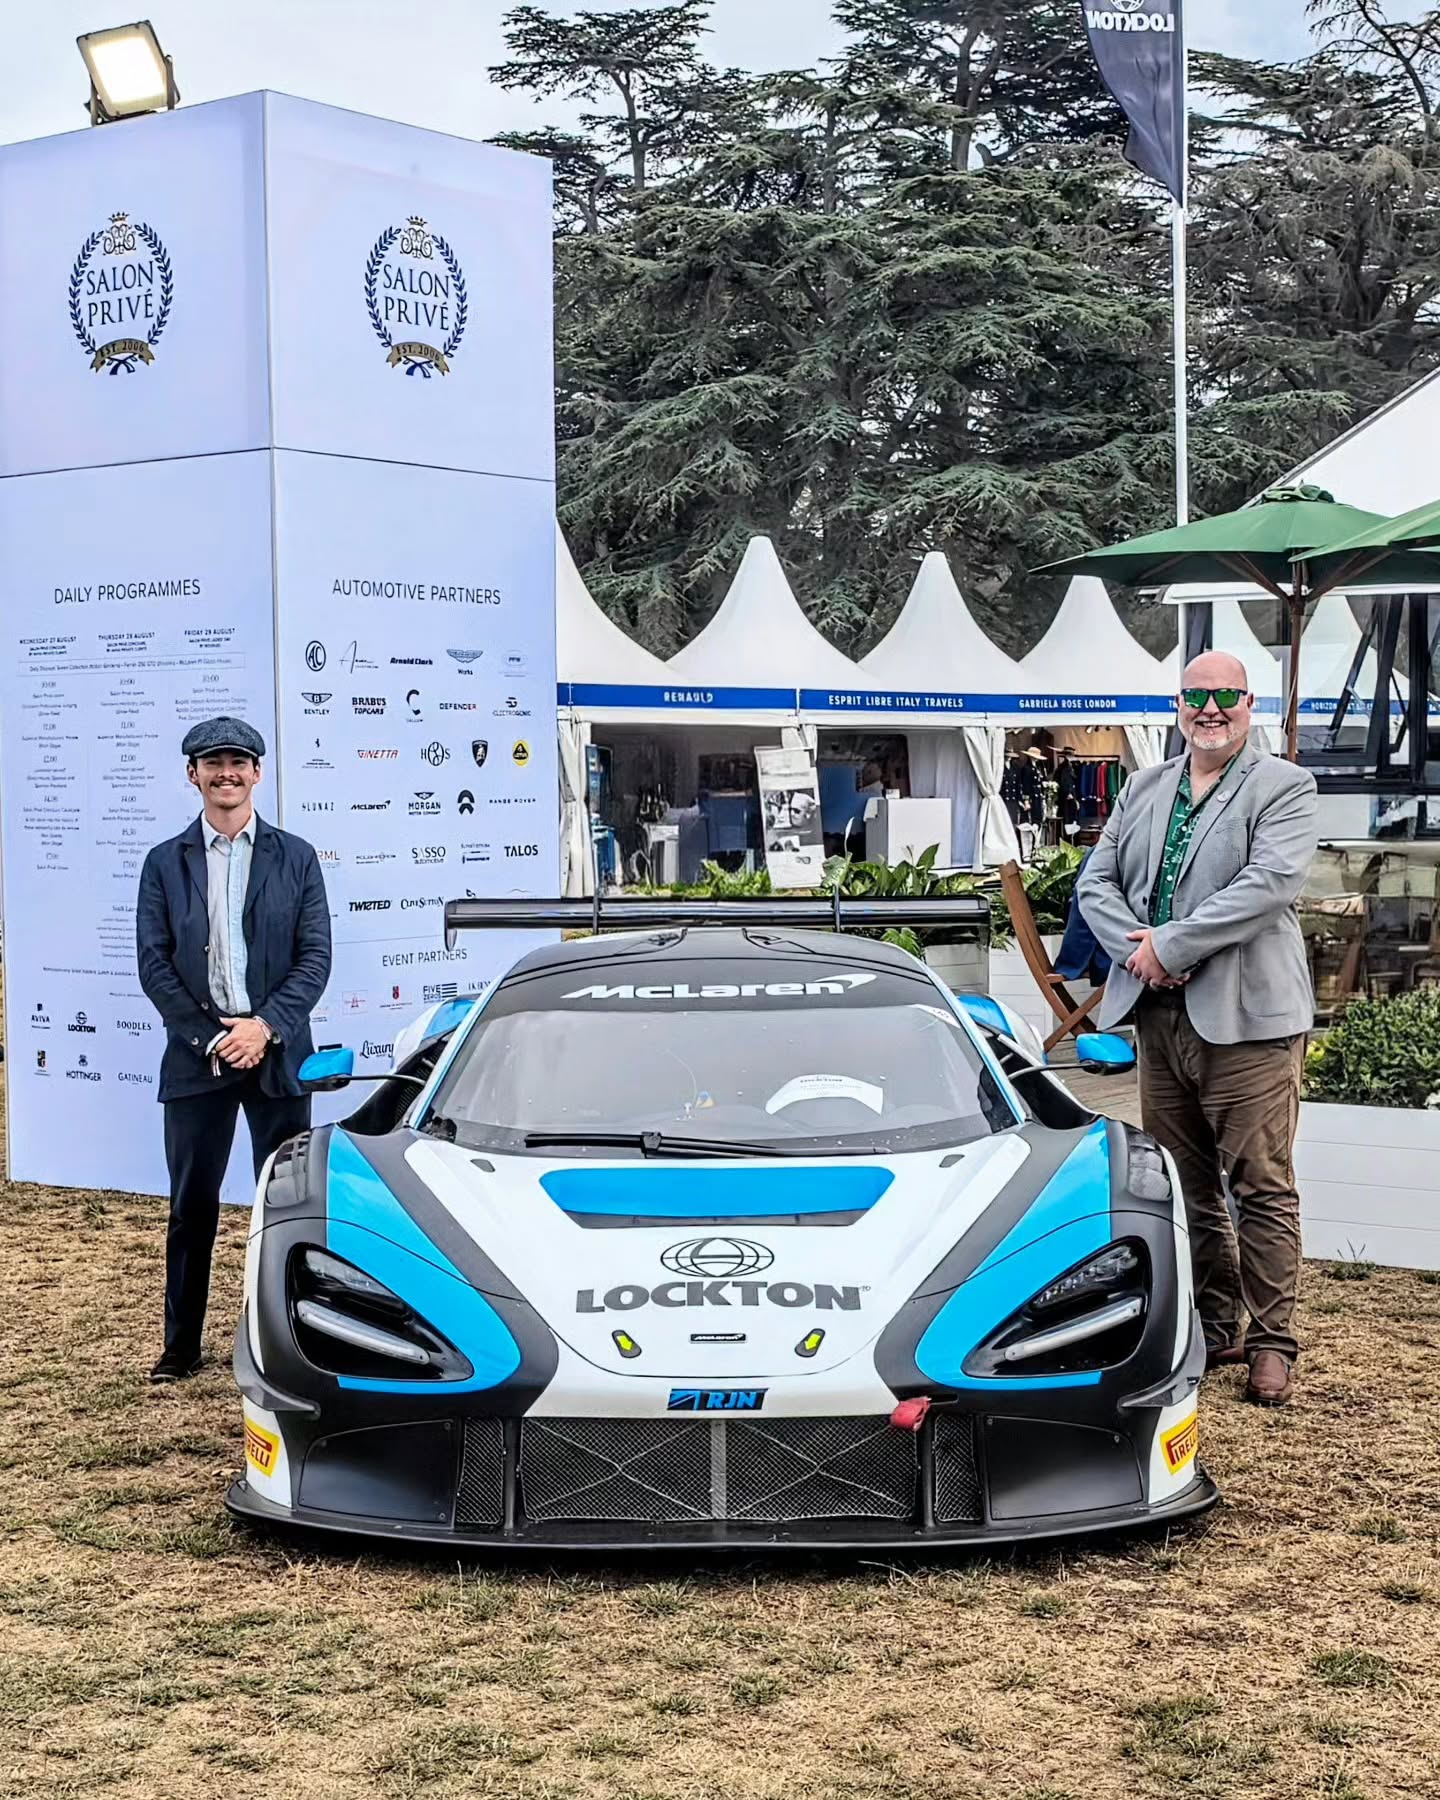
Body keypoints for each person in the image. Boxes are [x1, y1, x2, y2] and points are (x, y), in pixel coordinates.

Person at [1076, 653, 1318, 1407]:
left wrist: (1170, 945)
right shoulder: (1147, 784)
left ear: (1250, 704)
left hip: (1248, 1020)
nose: (1209, 710)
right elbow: (1095, 882)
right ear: (1177, 705)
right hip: (1161, 1015)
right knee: (1185, 1186)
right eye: (1194, 697)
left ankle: (1273, 1342)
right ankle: (1215, 1326)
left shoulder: (1286, 786)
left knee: (1260, 1185)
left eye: (1224, 697)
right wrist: (1138, 952)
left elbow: (1269, 885)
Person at [137, 718, 331, 1383]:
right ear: (192, 774)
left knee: (284, 1209)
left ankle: (291, 1347)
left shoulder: (296, 856)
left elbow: (315, 959)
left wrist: (264, 1027)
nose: (227, 773)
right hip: (198, 1058)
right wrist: (212, 1035)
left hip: (275, 1055)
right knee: (191, 1206)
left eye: (239, 762)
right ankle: (180, 1348)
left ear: (258, 773)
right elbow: (153, 964)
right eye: (213, 763)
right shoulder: (165, 862)